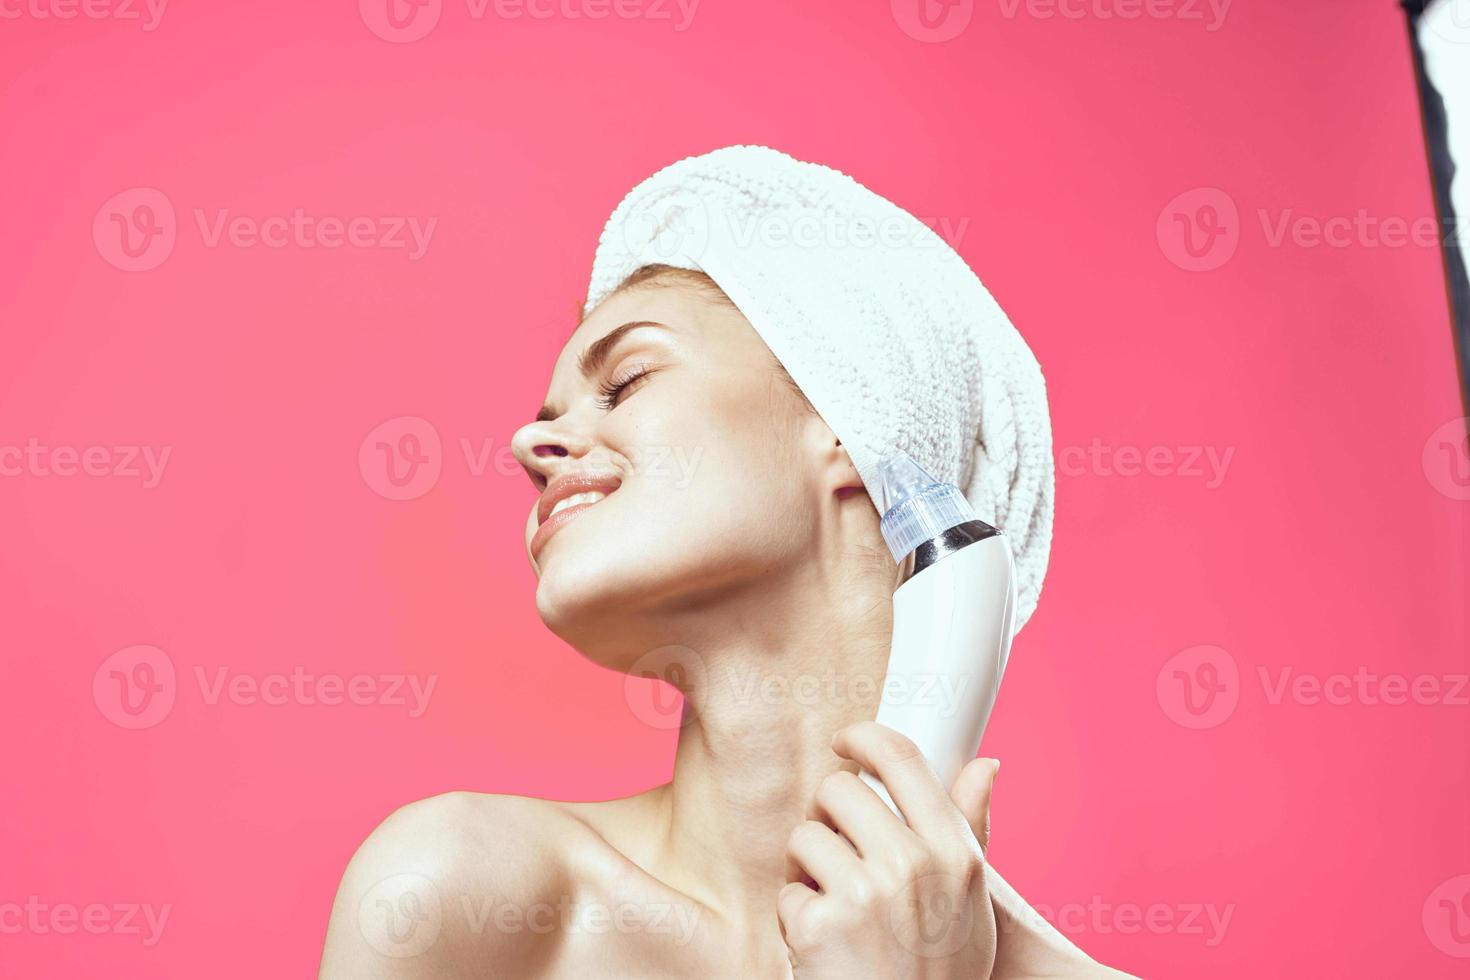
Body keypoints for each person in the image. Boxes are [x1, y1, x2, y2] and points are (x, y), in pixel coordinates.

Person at [321, 146, 1134, 978]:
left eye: (628, 379)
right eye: (549, 419)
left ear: (853, 426)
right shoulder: (462, 900)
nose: (528, 446)